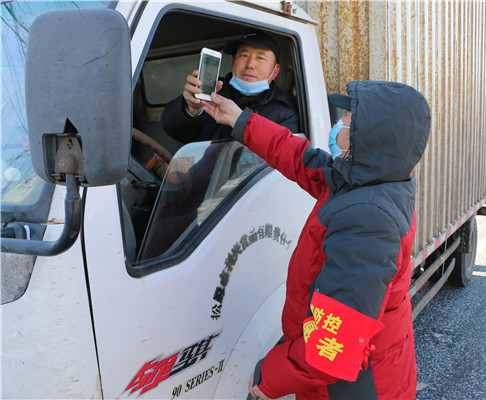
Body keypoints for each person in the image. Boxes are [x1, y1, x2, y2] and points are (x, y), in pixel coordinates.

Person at [202, 80, 431, 400]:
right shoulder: (368, 182)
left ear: (371, 136)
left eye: (349, 118)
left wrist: (268, 377)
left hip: (352, 390)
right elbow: (298, 157)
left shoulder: (368, 220)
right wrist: (241, 120)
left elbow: (334, 348)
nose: (340, 123)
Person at [160, 29, 298, 144]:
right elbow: (173, 130)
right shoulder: (213, 90)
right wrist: (191, 110)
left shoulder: (284, 111)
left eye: (260, 58)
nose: (250, 64)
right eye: (244, 55)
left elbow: (280, 156)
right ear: (233, 62)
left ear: (275, 71)